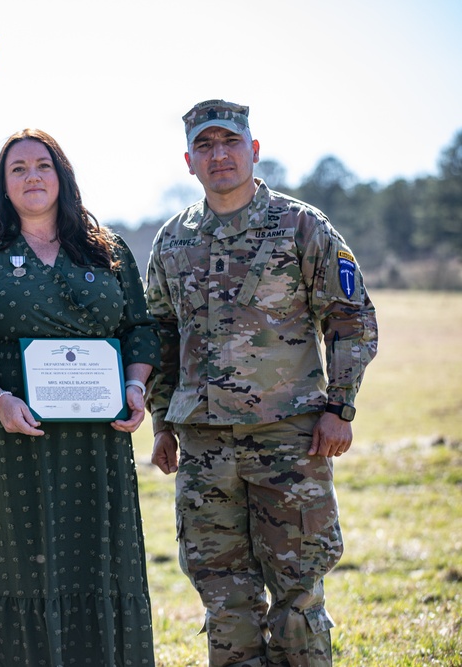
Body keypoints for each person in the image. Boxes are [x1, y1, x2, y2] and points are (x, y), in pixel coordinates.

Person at [145, 100, 379, 666]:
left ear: (253, 150)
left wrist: (339, 408)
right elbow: (159, 340)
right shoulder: (172, 242)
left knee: (297, 595)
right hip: (204, 448)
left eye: (230, 143)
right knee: (224, 595)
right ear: (189, 161)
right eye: (205, 146)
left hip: (290, 443)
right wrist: (162, 424)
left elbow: (351, 319)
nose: (218, 155)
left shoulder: (302, 225)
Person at [0, 128, 161, 666]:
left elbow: (141, 330)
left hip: (96, 445)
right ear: (3, 184)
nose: (32, 176)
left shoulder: (107, 249)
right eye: (18, 169)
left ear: (61, 175)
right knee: (11, 568)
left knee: (93, 564)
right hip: (5, 438)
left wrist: (134, 388)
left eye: (42, 165)